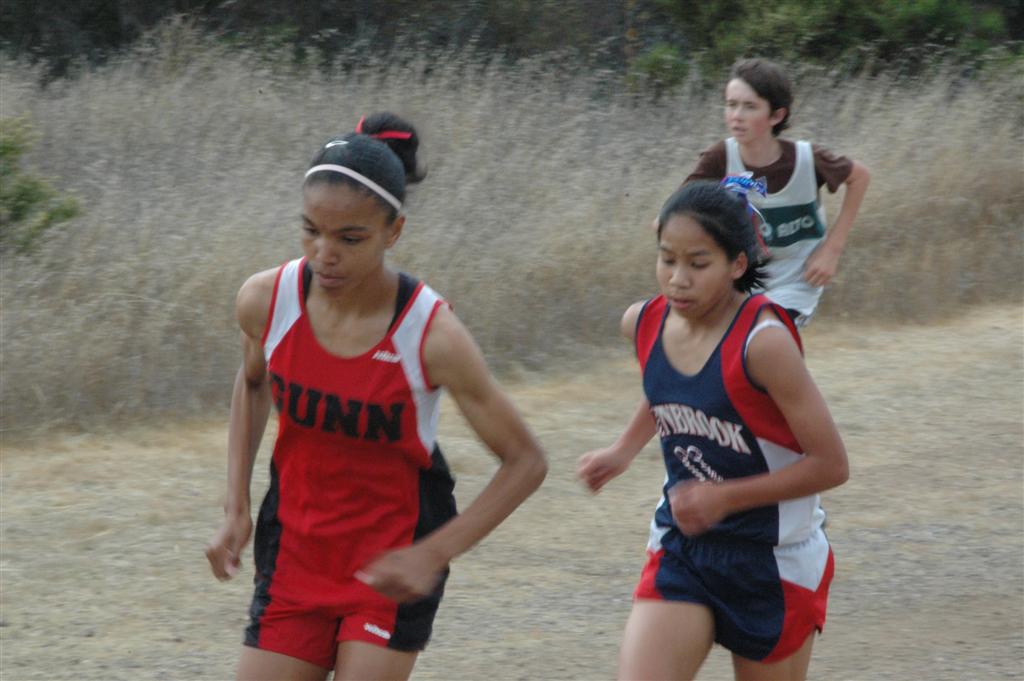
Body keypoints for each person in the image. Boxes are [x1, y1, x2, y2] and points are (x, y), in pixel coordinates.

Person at [205, 113, 547, 681]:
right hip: (294, 554)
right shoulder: (266, 300)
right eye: (310, 230)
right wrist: (235, 507)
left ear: (394, 232)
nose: (324, 253)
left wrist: (432, 554)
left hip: (391, 563)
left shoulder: (431, 335)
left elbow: (526, 461)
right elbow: (254, 381)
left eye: (350, 238)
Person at [579, 181, 849, 681]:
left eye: (698, 264)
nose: (677, 279)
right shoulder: (643, 323)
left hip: (772, 558)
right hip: (684, 544)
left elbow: (831, 465)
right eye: (667, 260)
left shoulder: (763, 344)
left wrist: (725, 498)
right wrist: (623, 450)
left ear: (737, 265)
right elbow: (667, 386)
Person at [684, 57, 871, 327]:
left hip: (796, 282)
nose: (736, 115)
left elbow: (860, 177)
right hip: (740, 282)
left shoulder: (807, 158)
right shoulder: (720, 158)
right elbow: (675, 213)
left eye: (749, 106)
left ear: (776, 116)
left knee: (764, 331)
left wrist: (832, 249)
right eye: (731, 104)